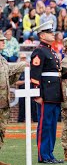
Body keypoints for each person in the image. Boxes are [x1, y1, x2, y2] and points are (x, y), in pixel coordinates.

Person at [30, 20, 64, 163]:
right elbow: (35, 73)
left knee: (52, 126)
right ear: (42, 35)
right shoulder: (39, 51)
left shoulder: (52, 51)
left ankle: (50, 154)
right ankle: (43, 156)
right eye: (49, 32)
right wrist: (36, 93)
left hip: (54, 92)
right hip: (45, 93)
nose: (52, 34)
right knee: (45, 125)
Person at [0, 32, 25, 165]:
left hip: (3, 102)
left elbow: (9, 75)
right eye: (1, 41)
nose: (4, 42)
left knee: (1, 130)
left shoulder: (3, 59)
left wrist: (21, 66)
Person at [17, 53, 38, 123]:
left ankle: (35, 120)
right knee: (22, 107)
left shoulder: (31, 71)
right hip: (22, 91)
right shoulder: (18, 71)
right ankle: (20, 121)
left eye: (24, 58)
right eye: (22, 58)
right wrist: (25, 81)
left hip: (31, 91)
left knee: (33, 107)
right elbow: (16, 83)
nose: (23, 60)